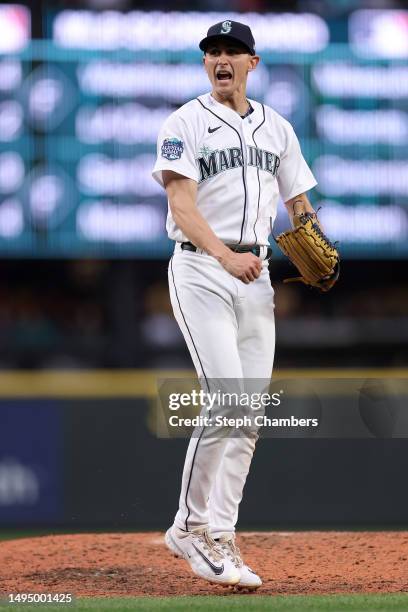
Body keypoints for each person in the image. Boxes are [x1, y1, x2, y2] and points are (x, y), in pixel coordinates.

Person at [152, 19, 317, 590]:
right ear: (205, 64)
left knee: (247, 416)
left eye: (233, 51)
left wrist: (311, 233)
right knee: (226, 397)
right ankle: (189, 527)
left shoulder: (278, 127)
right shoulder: (185, 122)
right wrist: (225, 257)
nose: (222, 59)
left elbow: (298, 199)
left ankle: (221, 536)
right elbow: (182, 203)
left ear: (253, 61)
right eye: (213, 52)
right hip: (202, 268)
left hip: (257, 276)